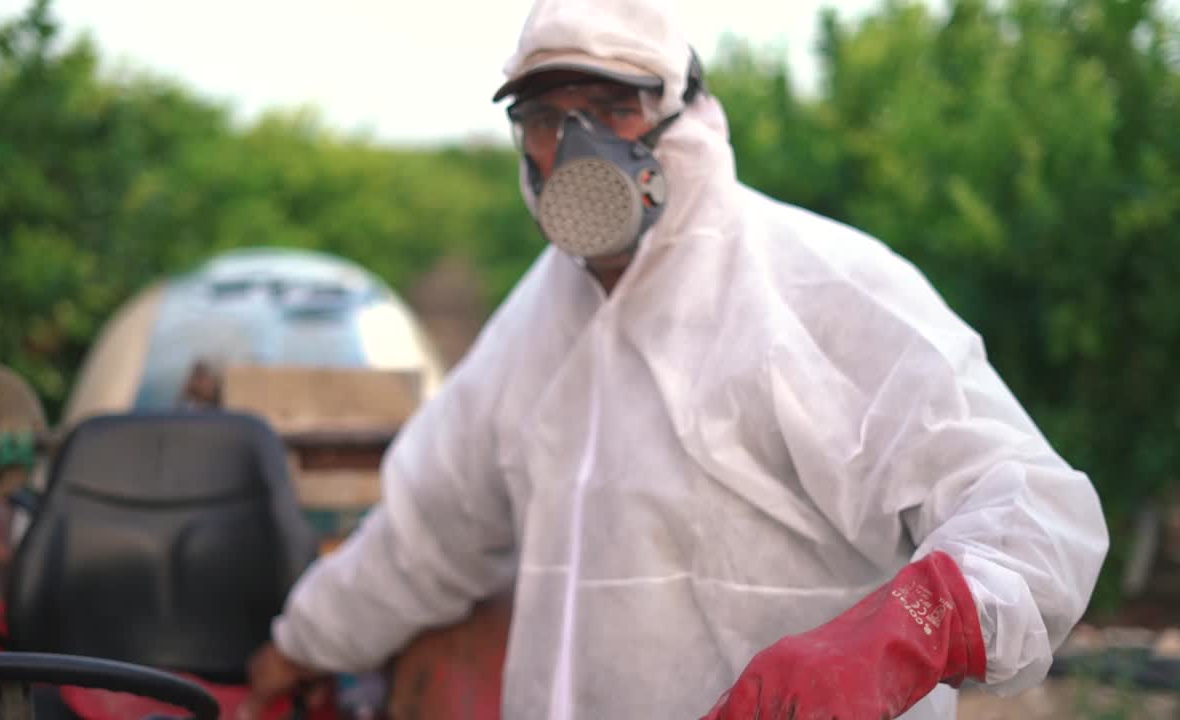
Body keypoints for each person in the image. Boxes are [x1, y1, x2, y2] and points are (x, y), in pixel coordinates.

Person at [237, 0, 1110, 717]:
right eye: (546, 116)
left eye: (615, 108)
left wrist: (901, 633)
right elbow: (422, 542)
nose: (577, 147)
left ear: (687, 115)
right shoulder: (531, 332)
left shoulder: (819, 293)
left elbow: (1037, 514)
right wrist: (294, 649)